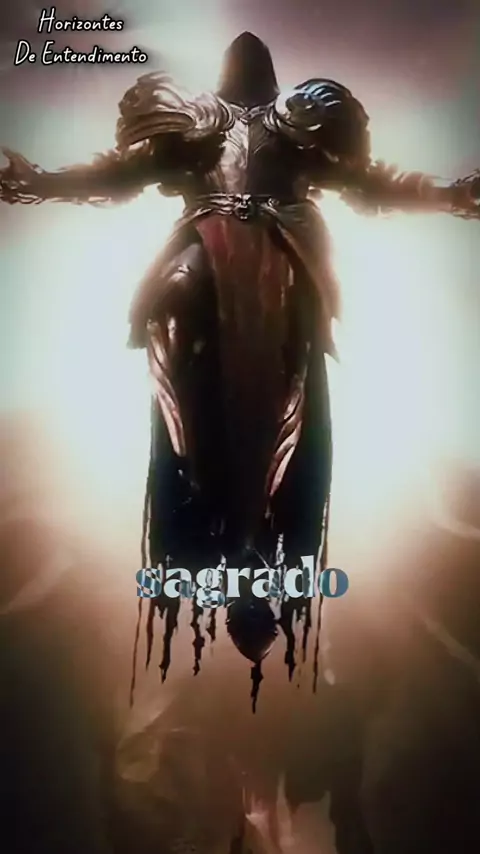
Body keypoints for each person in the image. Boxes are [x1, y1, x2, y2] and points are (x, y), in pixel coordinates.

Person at [2, 32, 479, 678]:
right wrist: (35, 181)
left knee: (268, 377)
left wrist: (453, 193)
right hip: (212, 251)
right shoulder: (198, 121)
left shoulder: (299, 121)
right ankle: (223, 516)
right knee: (186, 310)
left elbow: (375, 183)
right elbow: (118, 174)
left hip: (273, 259)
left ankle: (246, 531)